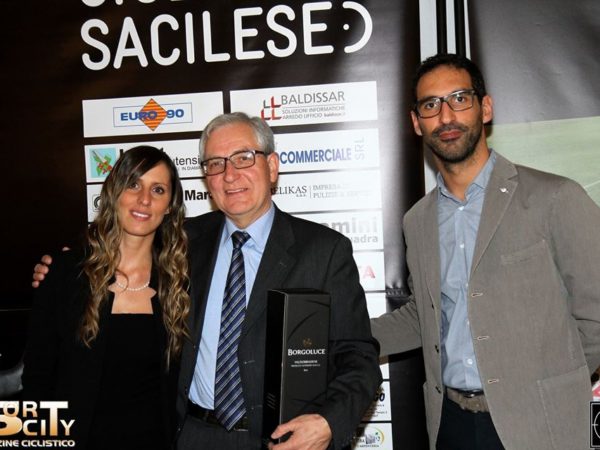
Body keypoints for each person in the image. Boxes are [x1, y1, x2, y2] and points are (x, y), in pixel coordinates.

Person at [33, 113, 382, 450]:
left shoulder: (323, 250)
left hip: (283, 440)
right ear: (206, 179)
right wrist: (63, 269)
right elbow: (119, 243)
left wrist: (328, 422)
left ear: (272, 166)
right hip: (191, 436)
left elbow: (358, 356)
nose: (229, 175)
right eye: (216, 163)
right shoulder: (183, 243)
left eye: (243, 158)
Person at [371, 53, 600, 450]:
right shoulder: (417, 221)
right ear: (416, 122)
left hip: (540, 425)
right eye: (430, 105)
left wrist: (555, 380)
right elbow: (425, 315)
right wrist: (341, 336)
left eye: (459, 99)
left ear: (485, 108)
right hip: (451, 425)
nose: (446, 116)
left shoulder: (555, 198)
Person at [23, 146, 190, 449]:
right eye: (133, 184)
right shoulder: (65, 273)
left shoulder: (180, 284)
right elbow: (36, 378)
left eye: (158, 190)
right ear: (114, 193)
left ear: (169, 206)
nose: (144, 199)